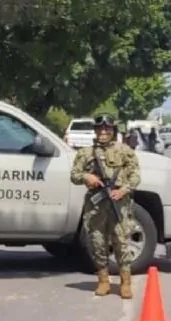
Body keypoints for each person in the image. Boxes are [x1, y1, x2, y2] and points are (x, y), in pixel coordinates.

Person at [70, 114, 141, 299]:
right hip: (96, 204)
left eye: (107, 129)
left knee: (121, 242)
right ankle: (103, 280)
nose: (103, 132)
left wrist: (124, 190)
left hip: (118, 203)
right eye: (100, 129)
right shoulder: (86, 153)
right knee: (97, 242)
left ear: (113, 131)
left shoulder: (125, 151)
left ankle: (125, 282)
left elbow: (135, 176)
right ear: (95, 131)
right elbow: (75, 174)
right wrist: (88, 177)